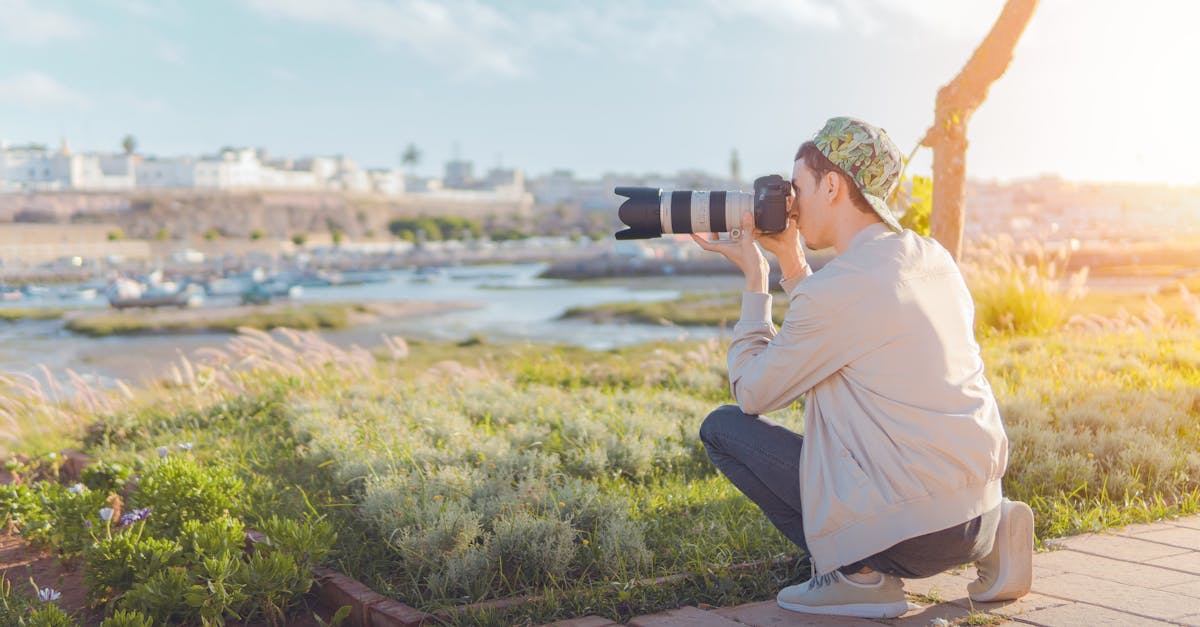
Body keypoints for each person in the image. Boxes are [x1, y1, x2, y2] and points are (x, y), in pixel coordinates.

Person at [690, 117, 1033, 619]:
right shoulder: (932, 258)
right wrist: (791, 256)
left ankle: (859, 575)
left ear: (831, 185)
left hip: (908, 537)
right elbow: (838, 319)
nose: (791, 204)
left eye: (798, 188)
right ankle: (999, 535)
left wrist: (756, 280)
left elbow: (753, 392)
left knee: (722, 427)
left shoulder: (839, 291)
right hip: (974, 510)